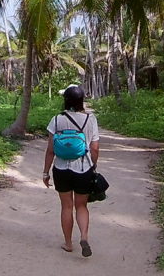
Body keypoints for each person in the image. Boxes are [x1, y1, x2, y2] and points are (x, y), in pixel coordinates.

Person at [42, 84, 100, 257]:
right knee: (81, 206)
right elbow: (95, 148)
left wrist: (46, 172)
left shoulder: (57, 119)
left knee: (66, 206)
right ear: (82, 100)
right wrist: (93, 166)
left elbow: (50, 149)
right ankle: (84, 237)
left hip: (61, 169)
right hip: (83, 168)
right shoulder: (91, 119)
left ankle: (68, 244)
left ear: (65, 100)